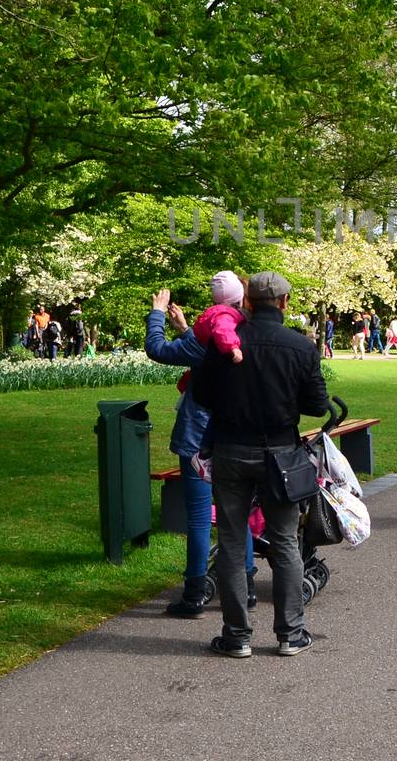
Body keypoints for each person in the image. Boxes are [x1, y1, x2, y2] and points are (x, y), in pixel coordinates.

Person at [189, 271, 329, 659]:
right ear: (284, 303)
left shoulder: (227, 341)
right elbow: (317, 405)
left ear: (247, 302)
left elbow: (200, 394)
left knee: (234, 543)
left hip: (232, 450)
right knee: (284, 542)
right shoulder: (300, 347)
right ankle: (290, 634)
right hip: (280, 454)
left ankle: (237, 636)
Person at [145, 289, 255, 618]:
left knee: (198, 518)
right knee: (237, 516)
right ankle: (246, 588)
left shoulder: (204, 339)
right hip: (236, 435)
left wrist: (159, 313)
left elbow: (157, 349)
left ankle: (194, 594)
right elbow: (210, 344)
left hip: (198, 435)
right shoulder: (247, 333)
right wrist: (185, 328)